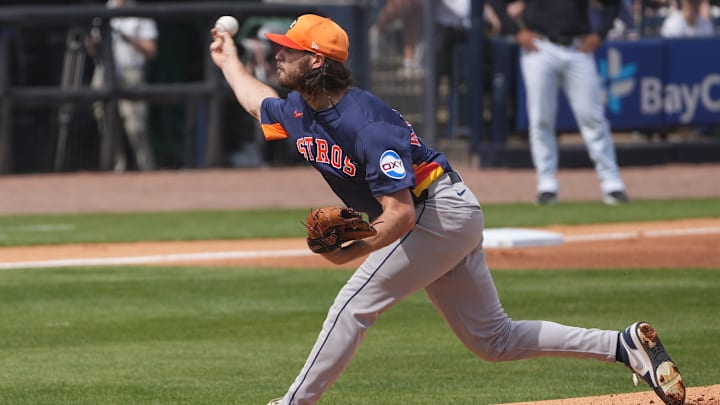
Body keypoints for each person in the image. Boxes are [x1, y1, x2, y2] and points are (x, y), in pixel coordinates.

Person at [209, 14, 685, 405]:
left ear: (315, 61)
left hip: (436, 211)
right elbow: (257, 102)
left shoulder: (367, 123)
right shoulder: (298, 109)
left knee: (353, 305)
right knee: (493, 341)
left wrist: (349, 251)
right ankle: (621, 345)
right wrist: (228, 60)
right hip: (439, 216)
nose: (278, 54)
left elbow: (399, 216)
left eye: (288, 49)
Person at [490, 0, 630, 205]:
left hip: (577, 47)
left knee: (592, 118)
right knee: (540, 119)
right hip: (539, 46)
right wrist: (516, 31)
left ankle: (612, 183)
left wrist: (600, 34)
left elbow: (612, 4)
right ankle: (546, 185)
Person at [86, 0, 158, 172]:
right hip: (105, 71)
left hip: (131, 72)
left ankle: (147, 168)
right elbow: (93, 50)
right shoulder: (103, 12)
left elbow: (151, 51)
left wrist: (128, 39)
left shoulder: (140, 14)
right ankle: (117, 168)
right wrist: (92, 45)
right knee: (106, 121)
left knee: (135, 125)